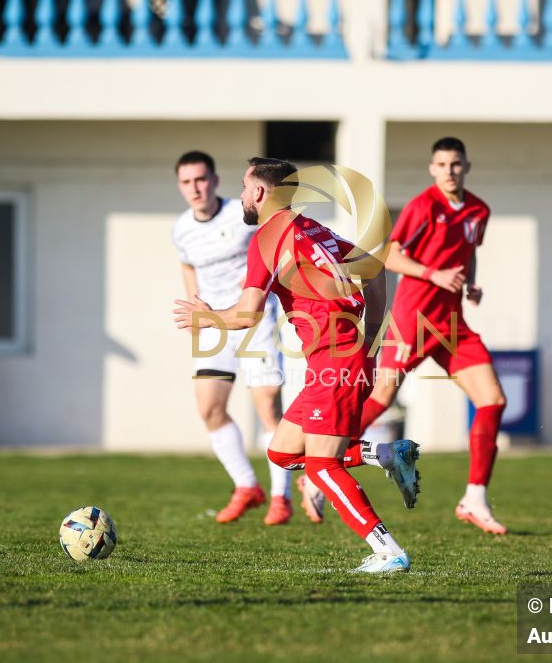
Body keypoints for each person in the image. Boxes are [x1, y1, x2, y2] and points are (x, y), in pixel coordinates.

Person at [174, 157, 421, 573]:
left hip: (336, 359)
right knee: (283, 452)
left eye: (242, 187)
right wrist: (373, 337)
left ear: (259, 192)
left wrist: (209, 316)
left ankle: (388, 551)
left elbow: (248, 314)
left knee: (323, 466)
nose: (239, 197)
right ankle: (386, 454)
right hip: (339, 357)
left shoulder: (267, 239)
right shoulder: (312, 229)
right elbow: (375, 268)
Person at [356, 137, 509, 535]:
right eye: (441, 164)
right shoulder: (423, 206)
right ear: (432, 169)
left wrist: (470, 283)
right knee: (380, 398)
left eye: (455, 164)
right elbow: (390, 254)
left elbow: (468, 249)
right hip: (413, 319)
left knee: (492, 400)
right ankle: (319, 464)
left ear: (466, 167)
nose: (449, 171)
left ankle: (474, 498)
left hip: (452, 323)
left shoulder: (478, 210)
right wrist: (434, 274)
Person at [171, 150, 292, 526]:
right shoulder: (181, 228)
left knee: (267, 408)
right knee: (209, 408)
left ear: (215, 180)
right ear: (180, 186)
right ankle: (246, 487)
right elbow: (188, 266)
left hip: (253, 321)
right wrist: (195, 311)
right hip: (212, 326)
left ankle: (280, 497)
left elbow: (271, 251)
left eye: (201, 179)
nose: (195, 188)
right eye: (187, 182)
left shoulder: (241, 214)